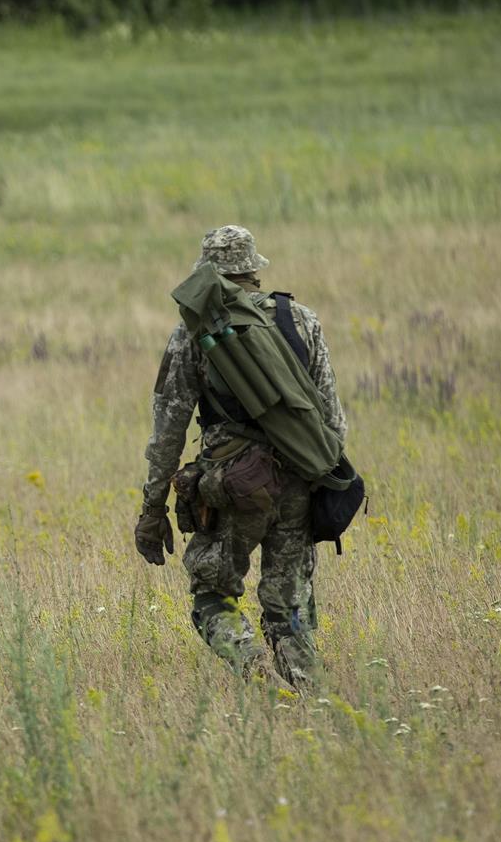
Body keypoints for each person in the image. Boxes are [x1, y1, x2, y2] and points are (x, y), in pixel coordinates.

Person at [134, 226, 346, 686]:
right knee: (288, 605)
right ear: (254, 268)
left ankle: (252, 668)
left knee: (212, 594)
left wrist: (152, 508)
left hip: (233, 487)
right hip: (298, 479)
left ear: (207, 274)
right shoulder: (301, 320)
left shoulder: (191, 335)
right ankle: (310, 693)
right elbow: (333, 418)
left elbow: (168, 431)